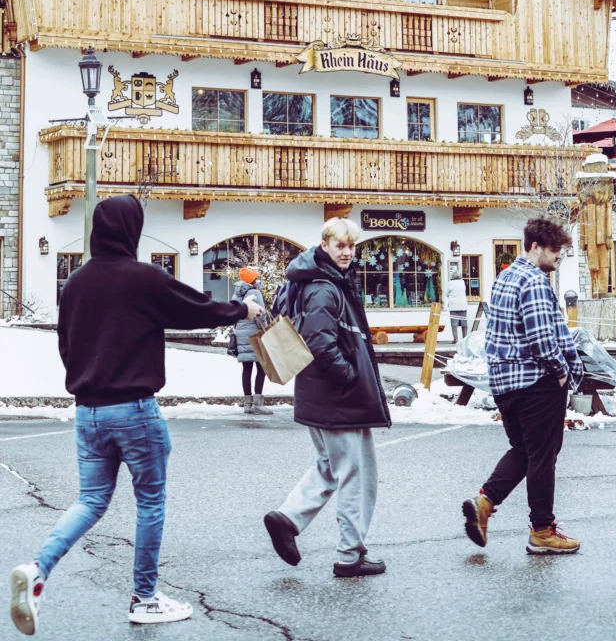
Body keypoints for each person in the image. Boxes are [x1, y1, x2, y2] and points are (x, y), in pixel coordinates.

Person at [10, 194, 262, 636]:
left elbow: (65, 345)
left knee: (89, 502)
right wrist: (244, 308)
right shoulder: (144, 278)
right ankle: (145, 598)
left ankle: (38, 568)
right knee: (150, 502)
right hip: (135, 412)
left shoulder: (76, 284)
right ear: (131, 230)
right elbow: (196, 309)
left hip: (87, 412)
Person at [263, 217, 391, 577]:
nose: (348, 252)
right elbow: (320, 343)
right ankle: (351, 554)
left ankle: (287, 519)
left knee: (330, 466)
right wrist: (350, 378)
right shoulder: (323, 287)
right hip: (339, 397)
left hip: (320, 395)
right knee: (355, 474)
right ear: (325, 244)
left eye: (352, 246)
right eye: (341, 246)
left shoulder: (316, 279)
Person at [462, 217, 583, 555]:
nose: (558, 256)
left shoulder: (503, 278)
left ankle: (485, 503)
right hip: (536, 382)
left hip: (504, 383)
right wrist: (561, 372)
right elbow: (543, 339)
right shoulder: (533, 281)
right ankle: (542, 530)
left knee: (524, 451)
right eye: (554, 250)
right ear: (534, 247)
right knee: (544, 456)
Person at [232, 267, 271, 415]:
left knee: (246, 369)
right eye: (256, 277)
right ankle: (258, 404)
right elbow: (260, 314)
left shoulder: (237, 293)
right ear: (252, 280)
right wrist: (266, 330)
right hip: (255, 333)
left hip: (241, 334)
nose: (258, 279)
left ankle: (247, 404)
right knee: (261, 368)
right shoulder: (254, 292)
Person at [446, 269, 468, 342]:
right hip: (463, 305)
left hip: (453, 305)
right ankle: (465, 338)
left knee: (454, 324)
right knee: (464, 323)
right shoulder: (462, 282)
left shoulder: (450, 283)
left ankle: (456, 339)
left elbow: (446, 294)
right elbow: (464, 290)